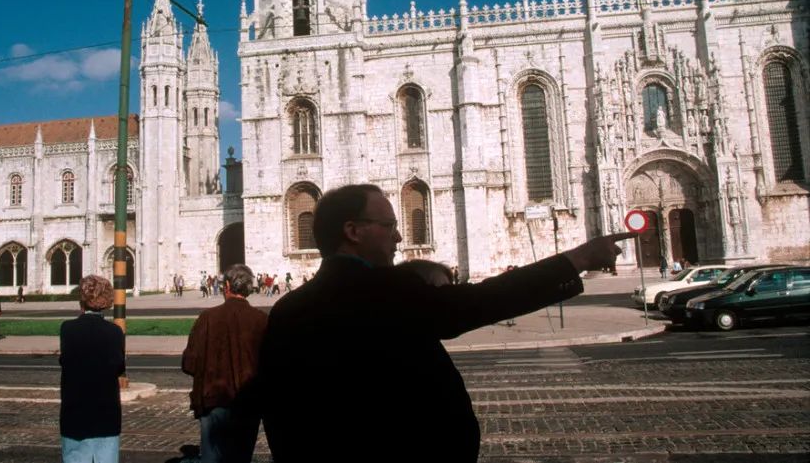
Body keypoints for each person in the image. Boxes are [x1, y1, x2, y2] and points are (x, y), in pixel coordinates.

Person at [258, 183, 633, 463]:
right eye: (389, 226)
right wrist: (578, 258)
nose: (399, 236)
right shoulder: (387, 291)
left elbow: (278, 411)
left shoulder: (289, 309)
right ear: (353, 231)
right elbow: (482, 301)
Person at [182, 264, 267, 463]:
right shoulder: (261, 320)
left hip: (213, 401)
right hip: (248, 404)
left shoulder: (207, 318)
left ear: (227, 285)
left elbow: (189, 364)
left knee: (211, 457)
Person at [59, 274, 125, 463]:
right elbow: (119, 367)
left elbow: (66, 361)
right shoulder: (114, 331)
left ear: (82, 299)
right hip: (106, 413)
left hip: (75, 412)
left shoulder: (68, 329)